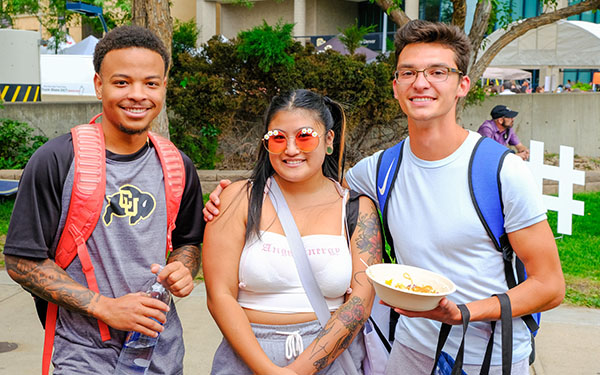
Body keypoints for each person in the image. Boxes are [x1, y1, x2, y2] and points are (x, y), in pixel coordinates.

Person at [205, 20, 565, 375]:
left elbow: (550, 286)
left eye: (438, 72)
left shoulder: (500, 171)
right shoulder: (375, 172)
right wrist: (230, 198)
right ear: (395, 87)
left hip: (485, 354)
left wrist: (466, 311)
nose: (421, 82)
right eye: (408, 73)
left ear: (463, 85)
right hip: (407, 350)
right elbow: (307, 184)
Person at [4, 25, 205, 374]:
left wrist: (184, 269)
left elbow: (189, 242)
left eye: (151, 83)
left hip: (162, 357)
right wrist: (105, 307)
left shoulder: (177, 165)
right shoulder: (57, 160)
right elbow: (22, 261)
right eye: (122, 82)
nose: (138, 95)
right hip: (84, 358)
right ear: (99, 85)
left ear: (164, 87)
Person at [202, 89, 383, 374]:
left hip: (331, 360)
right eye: (277, 138)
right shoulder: (237, 199)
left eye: (305, 136)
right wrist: (267, 369)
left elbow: (359, 303)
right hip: (245, 359)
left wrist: (300, 370)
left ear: (329, 140)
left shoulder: (357, 209)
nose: (290, 149)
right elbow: (218, 295)